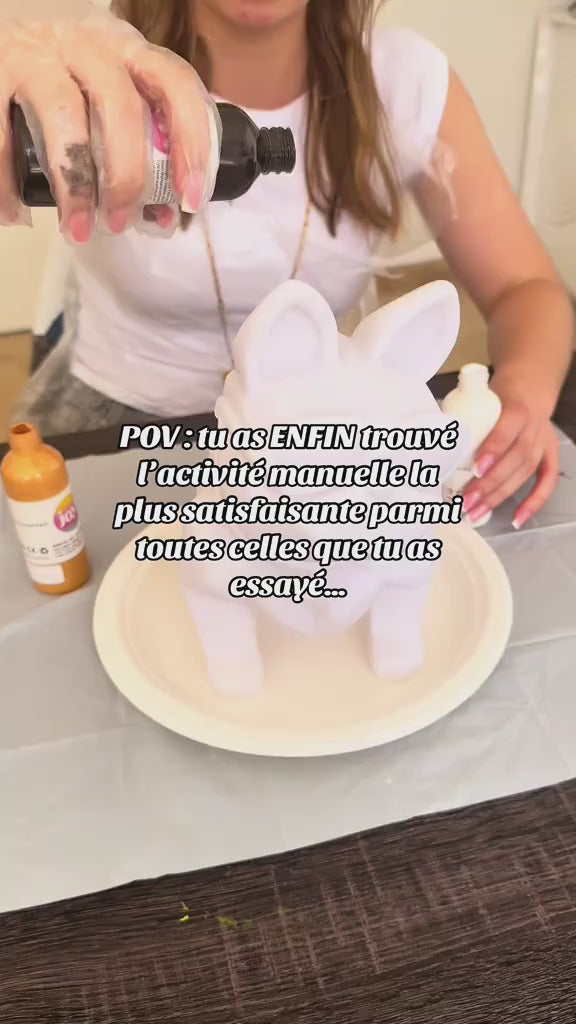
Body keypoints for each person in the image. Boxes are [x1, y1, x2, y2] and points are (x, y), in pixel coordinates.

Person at [1, 0, 573, 530]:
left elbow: (526, 287)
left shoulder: (405, 84)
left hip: (315, 431)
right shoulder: (98, 70)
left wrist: (522, 395)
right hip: (117, 427)